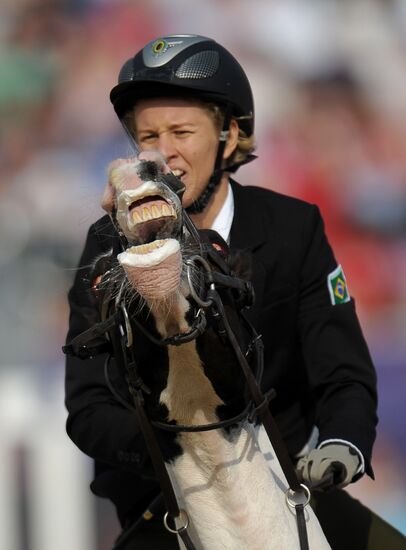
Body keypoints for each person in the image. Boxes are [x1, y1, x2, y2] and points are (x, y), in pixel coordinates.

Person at [64, 35, 404, 549]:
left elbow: (343, 371)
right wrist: (180, 457)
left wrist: (343, 443)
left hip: (289, 486)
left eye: (182, 132)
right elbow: (89, 407)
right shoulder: (106, 245)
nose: (164, 155)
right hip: (165, 502)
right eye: (148, 136)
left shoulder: (294, 227)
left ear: (229, 134)